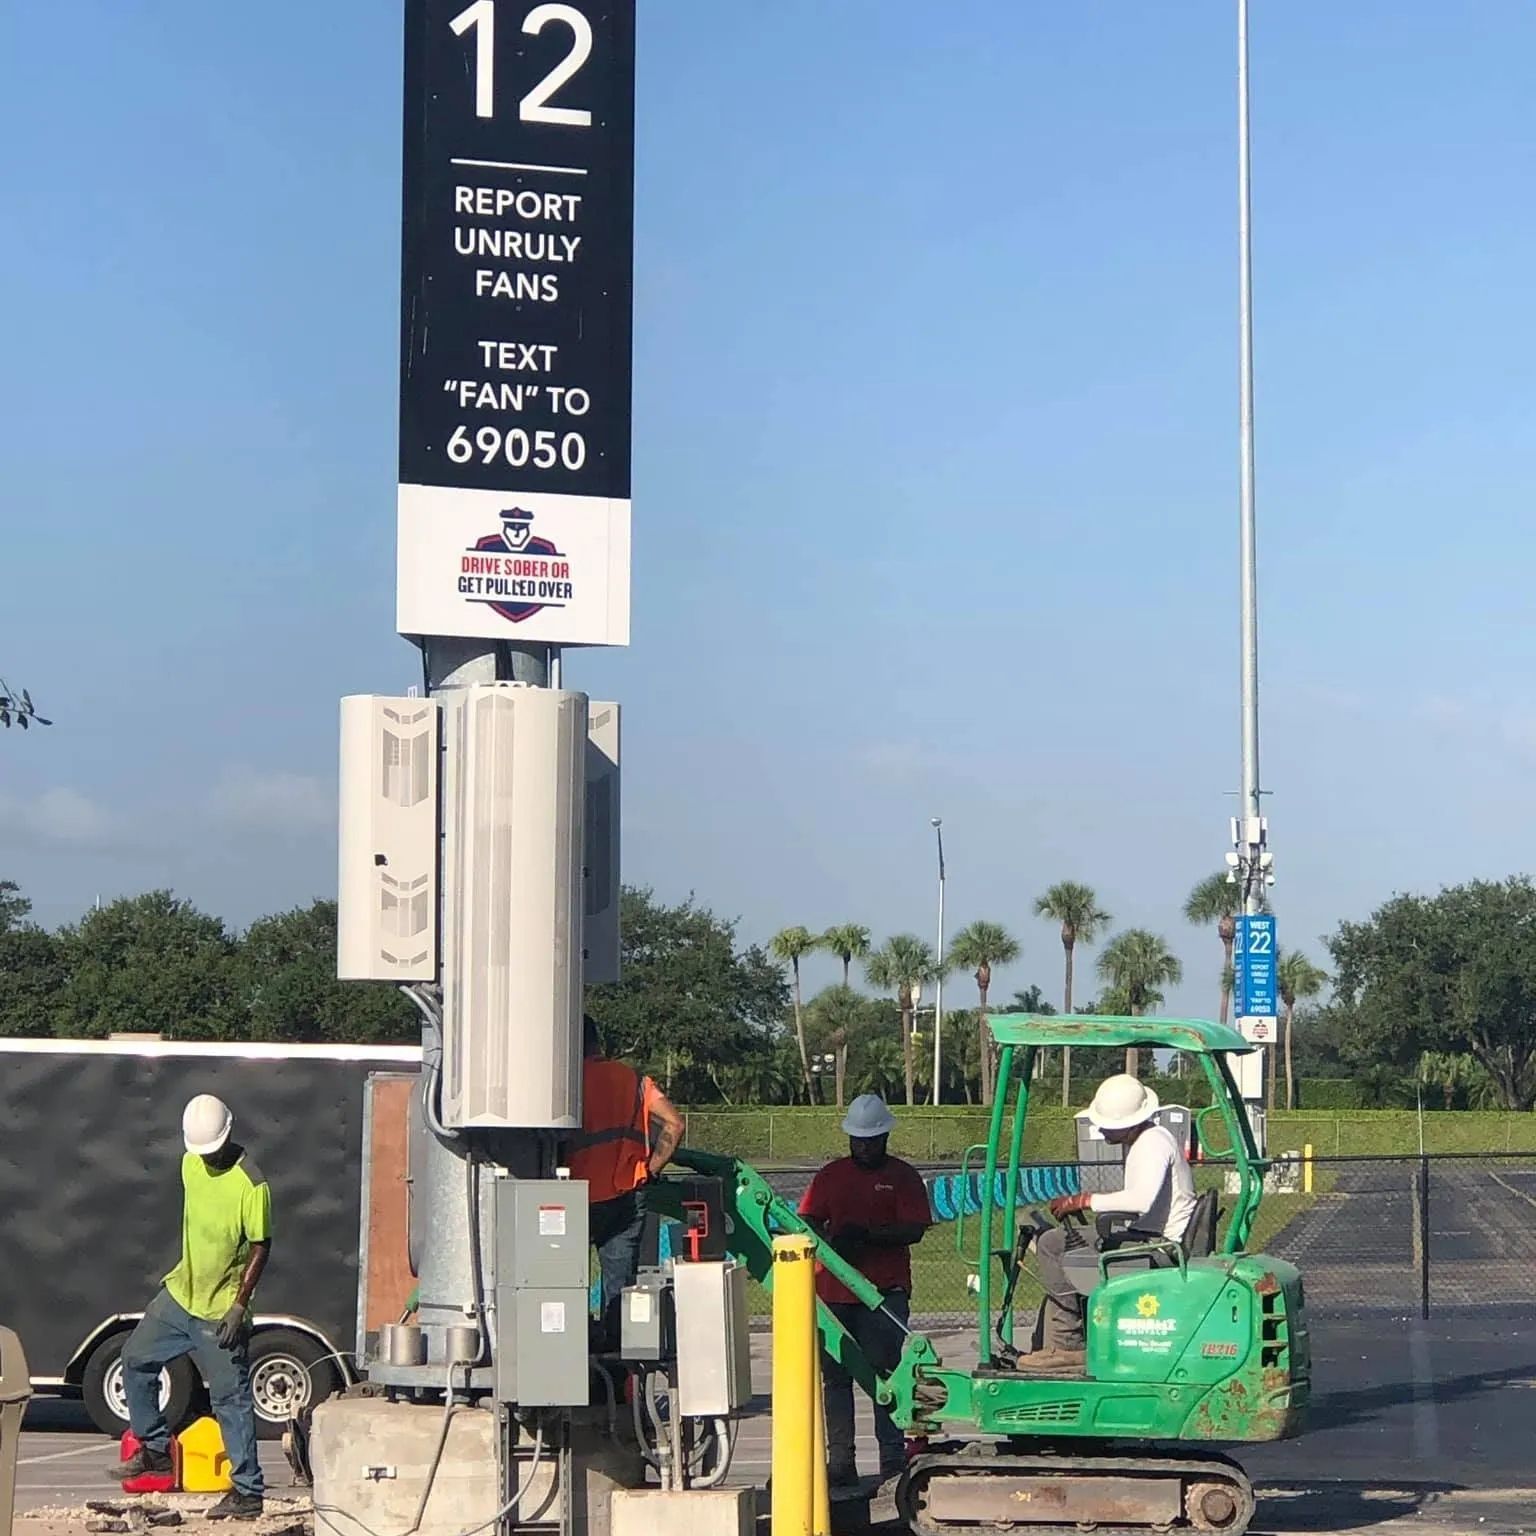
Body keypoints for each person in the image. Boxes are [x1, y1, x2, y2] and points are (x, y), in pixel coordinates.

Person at [117, 1095, 272, 1520]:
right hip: (180, 1294)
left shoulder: (251, 1184)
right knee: (135, 1359)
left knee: (230, 1400)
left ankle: (248, 1492)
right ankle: (154, 1450)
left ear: (229, 1133)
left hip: (219, 1310)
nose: (207, 1157)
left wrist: (239, 1305)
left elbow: (261, 1245)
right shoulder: (190, 1164)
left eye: (213, 1149)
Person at [798, 1093, 931, 1489]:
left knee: (884, 1376)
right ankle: (841, 1461)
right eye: (858, 1140)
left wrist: (871, 1237)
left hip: (883, 1292)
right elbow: (806, 1219)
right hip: (834, 1295)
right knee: (835, 1379)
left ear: (885, 1137)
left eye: (871, 1140)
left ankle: (891, 1459)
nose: (864, 1147)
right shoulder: (830, 1176)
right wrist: (831, 1239)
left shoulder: (903, 1177)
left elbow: (915, 1228)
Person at [1026, 1073, 1196, 1372]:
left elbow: (1139, 1200)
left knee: (1051, 1245)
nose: (1101, 1128)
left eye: (1107, 1124)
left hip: (1156, 1246)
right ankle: (1074, 1334)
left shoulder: (1152, 1144)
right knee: (1060, 1241)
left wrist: (1083, 1201)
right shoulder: (1153, 1139)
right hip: (1149, 1235)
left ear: (1128, 1123)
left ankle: (1068, 1342)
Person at [567, 1016, 685, 1344]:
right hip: (626, 1196)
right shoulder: (634, 1080)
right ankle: (616, 1376)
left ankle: (570, 1360)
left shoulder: (565, 1081)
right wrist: (651, 1168)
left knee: (559, 1283)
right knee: (618, 1291)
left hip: (571, 1195)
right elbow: (674, 1124)